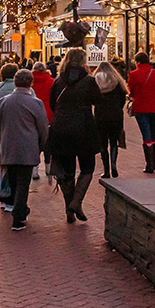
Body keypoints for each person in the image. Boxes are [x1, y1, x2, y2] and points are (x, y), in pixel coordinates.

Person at [48, 49, 103, 223]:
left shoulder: (58, 81)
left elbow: (52, 105)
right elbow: (98, 100)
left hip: (61, 128)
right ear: (83, 61)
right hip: (84, 128)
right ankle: (76, 202)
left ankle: (69, 208)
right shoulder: (89, 81)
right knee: (87, 167)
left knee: (67, 169)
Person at [0, 69, 49, 230]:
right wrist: (41, 146)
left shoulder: (3, 102)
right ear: (30, 83)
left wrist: (0, 147)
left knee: (13, 181)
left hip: (8, 148)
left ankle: (20, 209)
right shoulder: (36, 103)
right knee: (24, 183)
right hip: (28, 148)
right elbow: (43, 128)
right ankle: (18, 216)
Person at [128, 51, 155, 173]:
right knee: (154, 133)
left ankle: (149, 164)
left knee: (146, 135)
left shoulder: (133, 74)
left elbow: (131, 91)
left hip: (141, 108)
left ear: (137, 62)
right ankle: (154, 160)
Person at [94, 60, 130, 178]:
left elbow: (93, 99)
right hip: (115, 114)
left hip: (101, 114)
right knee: (114, 141)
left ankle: (106, 170)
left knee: (103, 143)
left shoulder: (96, 81)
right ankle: (114, 166)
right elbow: (122, 99)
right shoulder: (117, 80)